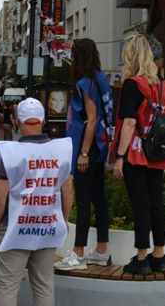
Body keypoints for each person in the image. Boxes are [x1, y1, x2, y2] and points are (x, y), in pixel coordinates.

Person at [0, 98, 73, 306]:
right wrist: (64, 219)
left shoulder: (12, 153)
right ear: (43, 121)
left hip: (14, 226)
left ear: (17, 121)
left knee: (7, 285)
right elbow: (67, 190)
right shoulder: (61, 150)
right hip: (47, 224)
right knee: (44, 285)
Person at [112, 35, 165, 276]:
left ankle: (141, 259)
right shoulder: (163, 85)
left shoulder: (131, 85)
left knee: (141, 205)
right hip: (158, 151)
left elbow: (128, 123)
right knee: (156, 203)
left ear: (130, 56)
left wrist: (119, 157)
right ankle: (159, 256)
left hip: (136, 153)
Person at [56, 38, 113, 271]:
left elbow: (91, 119)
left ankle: (78, 253)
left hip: (87, 146)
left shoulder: (85, 83)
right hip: (101, 144)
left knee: (83, 199)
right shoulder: (100, 78)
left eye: (73, 54)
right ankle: (101, 251)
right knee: (98, 197)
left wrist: (84, 152)